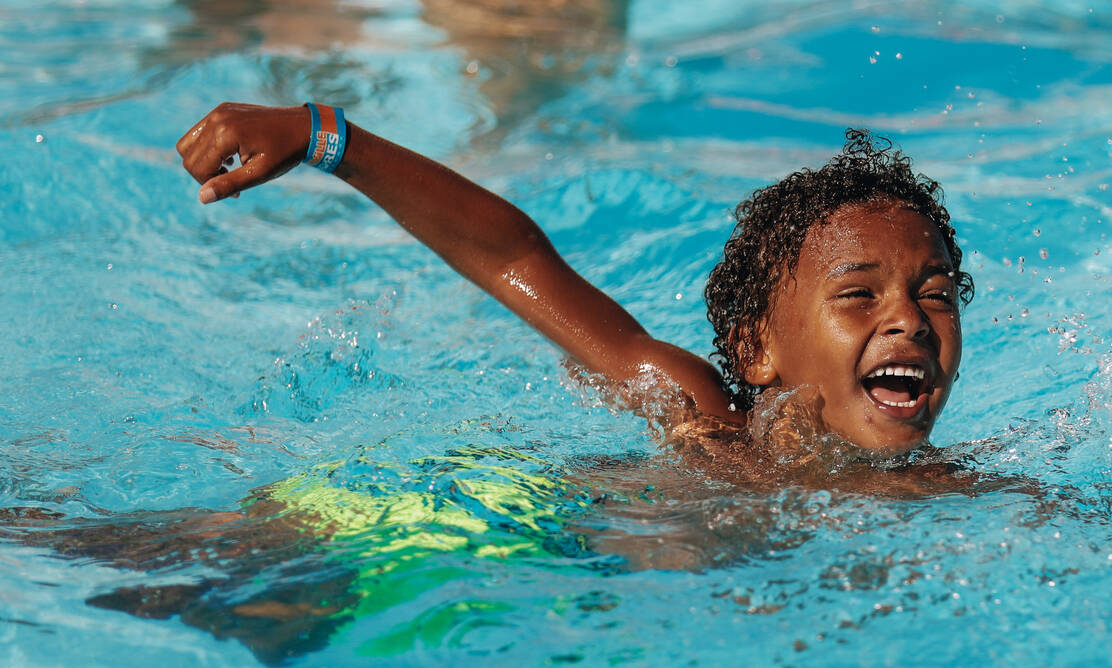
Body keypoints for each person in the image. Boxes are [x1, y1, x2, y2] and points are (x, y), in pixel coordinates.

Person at [176, 102, 974, 461]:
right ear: (757, 348)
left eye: (935, 292)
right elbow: (516, 260)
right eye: (859, 293)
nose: (909, 320)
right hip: (503, 534)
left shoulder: (956, 498)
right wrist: (327, 137)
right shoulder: (711, 421)